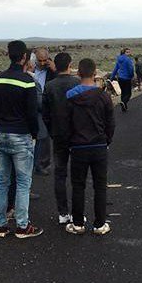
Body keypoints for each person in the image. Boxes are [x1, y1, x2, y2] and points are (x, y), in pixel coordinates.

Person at [0, 40, 43, 239]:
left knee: (2, 181)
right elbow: (32, 113)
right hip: (21, 135)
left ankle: (1, 225)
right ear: (24, 57)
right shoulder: (27, 81)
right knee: (23, 182)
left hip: (2, 133)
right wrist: (34, 133)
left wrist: (0, 126)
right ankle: (22, 226)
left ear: (9, 55)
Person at [65, 58, 116, 236]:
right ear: (95, 74)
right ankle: (100, 224)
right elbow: (111, 123)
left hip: (78, 147)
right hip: (99, 146)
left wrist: (69, 142)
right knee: (100, 186)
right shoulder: (104, 96)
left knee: (78, 185)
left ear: (78, 73)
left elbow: (67, 123)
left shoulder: (70, 96)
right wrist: (106, 141)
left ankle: (78, 224)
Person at [41, 52, 80, 224]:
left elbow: (45, 113)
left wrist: (52, 131)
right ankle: (77, 214)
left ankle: (63, 213)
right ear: (70, 64)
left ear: (55, 66)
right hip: (78, 136)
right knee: (78, 175)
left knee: (60, 174)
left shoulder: (49, 86)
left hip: (58, 135)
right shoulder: (77, 83)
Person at [31, 48, 56, 175]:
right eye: (39, 60)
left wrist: (55, 70)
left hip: (44, 106)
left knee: (44, 136)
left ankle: (41, 165)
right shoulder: (31, 69)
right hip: (30, 105)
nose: (42, 63)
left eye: (44, 60)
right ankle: (35, 164)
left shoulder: (52, 71)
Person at [110, 47, 135, 112]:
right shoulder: (128, 60)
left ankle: (124, 107)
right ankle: (124, 102)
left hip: (120, 78)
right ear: (124, 52)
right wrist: (132, 76)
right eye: (127, 52)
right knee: (128, 93)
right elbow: (131, 69)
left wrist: (112, 78)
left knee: (123, 92)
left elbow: (115, 69)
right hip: (127, 78)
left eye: (129, 52)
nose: (129, 53)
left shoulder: (119, 59)